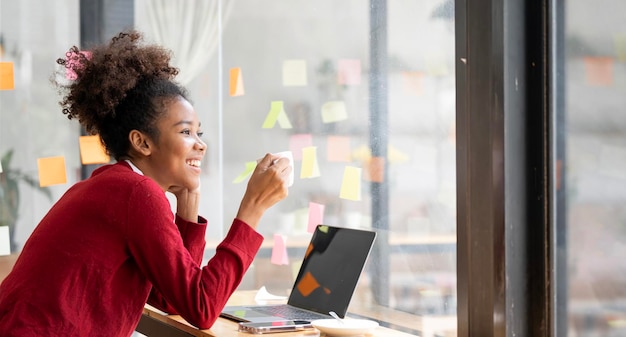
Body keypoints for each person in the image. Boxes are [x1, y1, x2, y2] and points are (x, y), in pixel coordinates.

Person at [0, 30, 291, 337]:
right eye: (185, 132)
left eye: (199, 133)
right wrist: (253, 208)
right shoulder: (136, 193)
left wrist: (187, 213)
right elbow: (202, 307)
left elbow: (171, 298)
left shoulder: (111, 184)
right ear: (142, 142)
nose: (200, 145)